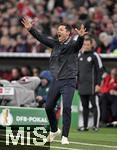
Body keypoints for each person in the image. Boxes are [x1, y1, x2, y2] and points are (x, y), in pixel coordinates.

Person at [21, 17, 87, 144]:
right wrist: (30, 29)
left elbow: (78, 44)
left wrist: (81, 37)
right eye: (58, 29)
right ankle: (54, 130)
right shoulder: (55, 44)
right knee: (48, 107)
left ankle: (65, 136)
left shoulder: (72, 45)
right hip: (56, 80)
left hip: (69, 80)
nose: (58, 31)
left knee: (66, 107)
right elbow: (41, 38)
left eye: (61, 29)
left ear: (68, 33)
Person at [78, 38, 103, 131]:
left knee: (94, 105)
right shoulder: (80, 56)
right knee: (84, 107)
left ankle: (95, 126)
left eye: (88, 44)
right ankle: (85, 126)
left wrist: (98, 84)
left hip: (92, 86)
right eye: (84, 44)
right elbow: (78, 71)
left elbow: (100, 70)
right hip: (82, 86)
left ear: (91, 45)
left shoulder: (95, 55)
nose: (86, 46)